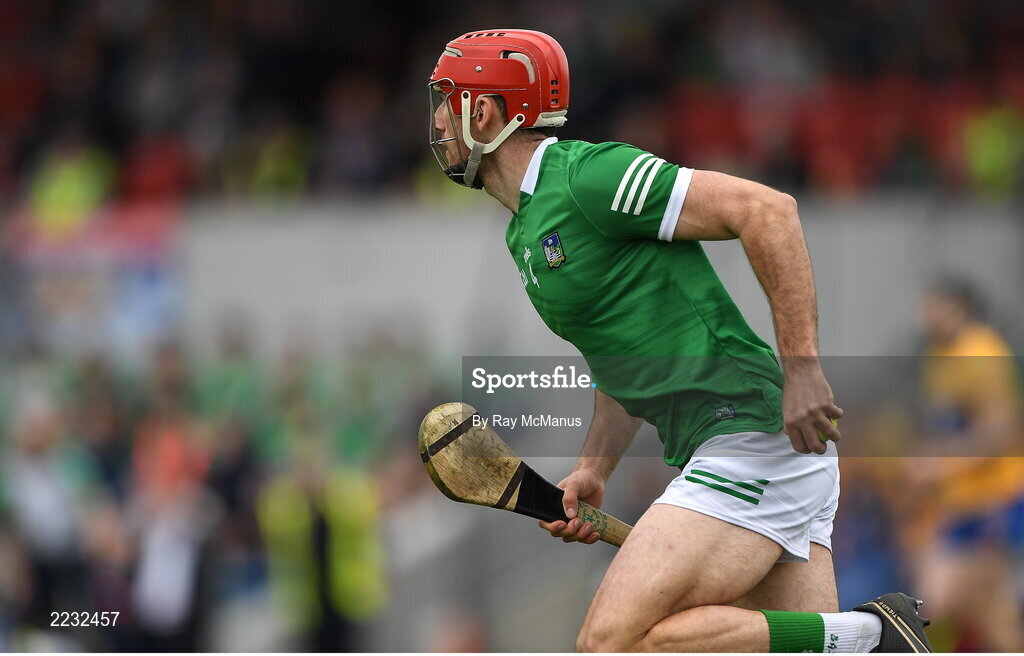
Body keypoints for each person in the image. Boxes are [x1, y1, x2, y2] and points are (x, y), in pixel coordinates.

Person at [426, 30, 936, 653]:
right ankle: (856, 640)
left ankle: (867, 636)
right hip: (740, 449)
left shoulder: (589, 177)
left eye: (445, 101)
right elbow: (622, 362)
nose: (437, 121)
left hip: (750, 437)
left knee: (608, 643)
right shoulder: (526, 231)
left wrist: (801, 366)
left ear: (483, 111)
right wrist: (594, 466)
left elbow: (768, 210)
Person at [896, 278, 1023, 651]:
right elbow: (953, 426)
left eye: (933, 305)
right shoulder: (940, 357)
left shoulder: (981, 350)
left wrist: (938, 465)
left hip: (993, 500)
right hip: (961, 503)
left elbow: (999, 435)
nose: (925, 315)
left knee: (937, 600)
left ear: (958, 308)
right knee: (987, 613)